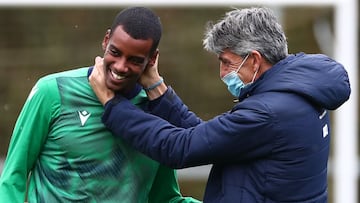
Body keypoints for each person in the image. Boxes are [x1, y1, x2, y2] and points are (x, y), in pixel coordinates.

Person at [89, 7, 351, 203]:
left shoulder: (267, 113)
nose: (222, 71)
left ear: (254, 60)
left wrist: (112, 105)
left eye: (226, 61)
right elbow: (213, 140)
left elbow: (180, 148)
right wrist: (158, 89)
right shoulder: (299, 93)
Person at [0, 7, 200, 203]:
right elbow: (13, 176)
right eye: (115, 52)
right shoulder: (52, 91)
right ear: (106, 40)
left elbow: (164, 198)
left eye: (134, 60)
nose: (120, 66)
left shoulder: (157, 111)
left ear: (152, 59)